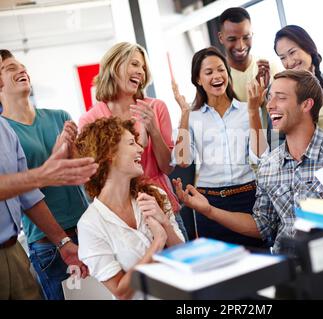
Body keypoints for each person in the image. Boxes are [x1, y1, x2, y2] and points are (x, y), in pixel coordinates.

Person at [173, 70, 323, 253]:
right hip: (287, 269)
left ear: (306, 104)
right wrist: (209, 210)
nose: (269, 105)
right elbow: (262, 226)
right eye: (270, 97)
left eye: (281, 97)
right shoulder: (268, 166)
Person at [0, 47, 98, 301]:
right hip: (46, 242)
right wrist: (54, 157)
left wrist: (73, 152)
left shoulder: (59, 117)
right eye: (11, 68)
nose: (22, 70)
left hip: (86, 226)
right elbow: (26, 188)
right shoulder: (7, 128)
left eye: (23, 67)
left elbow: (78, 175)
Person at [78, 42, 188, 241]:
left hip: (162, 208)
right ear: (114, 65)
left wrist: (153, 129)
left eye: (143, 68)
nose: (141, 72)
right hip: (121, 217)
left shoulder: (155, 107)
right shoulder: (89, 120)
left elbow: (167, 167)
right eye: (135, 64)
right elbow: (93, 177)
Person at [75, 117, 184, 300]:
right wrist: (158, 242)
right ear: (110, 153)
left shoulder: (155, 196)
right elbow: (121, 291)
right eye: (132, 143)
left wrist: (165, 224)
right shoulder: (90, 225)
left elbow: (185, 255)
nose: (140, 149)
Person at [171, 46, 266, 248]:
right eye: (209, 72)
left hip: (248, 198)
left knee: (259, 262)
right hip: (208, 202)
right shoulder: (192, 116)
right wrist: (185, 113)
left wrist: (253, 112)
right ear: (198, 79)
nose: (217, 76)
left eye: (221, 69)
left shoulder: (247, 109)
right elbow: (182, 160)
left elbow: (262, 155)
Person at [273, 25, 323, 149]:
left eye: (292, 52)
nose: (289, 62)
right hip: (301, 165)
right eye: (282, 58)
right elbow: (274, 142)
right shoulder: (278, 92)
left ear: (308, 48)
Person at [218, 7, 280, 129]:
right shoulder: (218, 79)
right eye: (232, 39)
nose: (240, 46)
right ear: (221, 38)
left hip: (276, 142)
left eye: (246, 37)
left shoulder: (269, 68)